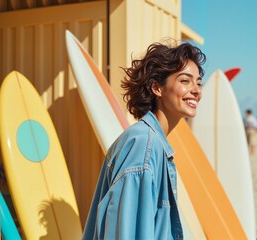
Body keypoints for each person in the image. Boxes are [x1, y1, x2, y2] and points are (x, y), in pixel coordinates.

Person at [82, 41, 206, 239]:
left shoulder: (151, 142)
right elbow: (125, 232)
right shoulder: (144, 145)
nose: (196, 90)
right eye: (185, 81)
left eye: (198, 82)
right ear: (157, 88)